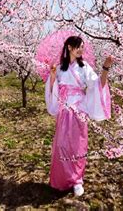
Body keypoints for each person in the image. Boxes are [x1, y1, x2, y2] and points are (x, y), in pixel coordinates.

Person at [45, 35, 113, 197]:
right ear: (69, 47)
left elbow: (98, 84)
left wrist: (105, 68)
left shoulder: (84, 67)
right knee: (61, 145)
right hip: (64, 109)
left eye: (83, 47)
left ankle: (77, 180)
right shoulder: (60, 67)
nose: (82, 49)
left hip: (79, 110)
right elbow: (52, 87)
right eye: (79, 46)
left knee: (77, 145)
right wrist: (53, 75)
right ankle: (61, 179)